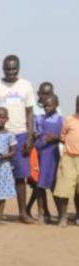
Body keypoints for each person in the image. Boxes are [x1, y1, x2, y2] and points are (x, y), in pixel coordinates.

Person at [0, 55, 36, 224]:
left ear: (18, 68)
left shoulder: (26, 86)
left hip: (19, 134)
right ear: (3, 68)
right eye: (8, 69)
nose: (11, 72)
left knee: (21, 176)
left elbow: (29, 112)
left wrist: (29, 136)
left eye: (14, 69)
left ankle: (23, 213)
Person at [33, 96, 63, 224]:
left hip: (52, 154)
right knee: (39, 185)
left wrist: (55, 138)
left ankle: (61, 214)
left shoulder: (62, 120)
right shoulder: (39, 119)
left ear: (56, 105)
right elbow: (35, 133)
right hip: (41, 152)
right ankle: (42, 213)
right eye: (44, 106)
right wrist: (36, 135)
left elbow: (64, 137)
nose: (46, 108)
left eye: (49, 105)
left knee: (54, 185)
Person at [54, 95, 79, 227]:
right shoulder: (69, 120)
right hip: (69, 158)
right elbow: (62, 138)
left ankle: (78, 216)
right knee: (64, 190)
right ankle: (63, 217)